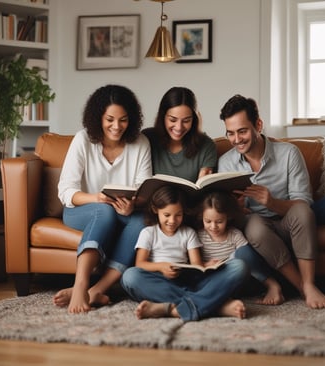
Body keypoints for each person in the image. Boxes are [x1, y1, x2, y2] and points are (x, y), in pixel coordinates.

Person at [218, 94, 325, 309]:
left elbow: (303, 203)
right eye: (230, 133)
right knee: (254, 226)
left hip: (289, 222)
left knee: (302, 211)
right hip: (258, 227)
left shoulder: (289, 153)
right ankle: (302, 287)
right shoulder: (225, 162)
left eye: (242, 131)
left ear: (258, 125)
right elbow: (227, 213)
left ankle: (310, 283)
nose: (236, 140)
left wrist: (272, 202)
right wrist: (237, 209)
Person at [53, 84, 152, 314]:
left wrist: (133, 205)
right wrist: (95, 198)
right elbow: (66, 191)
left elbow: (144, 189)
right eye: (110, 119)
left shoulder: (140, 143)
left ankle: (98, 289)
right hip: (83, 210)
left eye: (123, 120)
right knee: (103, 210)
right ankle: (80, 284)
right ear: (98, 117)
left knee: (141, 221)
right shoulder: (83, 140)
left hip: (122, 211)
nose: (116, 126)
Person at [121, 185, 249, 321]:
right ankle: (217, 306)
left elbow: (197, 265)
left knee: (238, 266)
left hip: (188, 280)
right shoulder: (148, 233)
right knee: (130, 276)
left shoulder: (188, 233)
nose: (172, 221)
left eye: (178, 215)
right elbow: (140, 264)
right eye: (167, 215)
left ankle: (169, 309)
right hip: (160, 282)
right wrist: (161, 267)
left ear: (184, 213)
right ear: (155, 210)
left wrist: (207, 265)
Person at [197, 191, 284, 305]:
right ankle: (221, 298)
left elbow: (248, 258)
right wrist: (206, 265)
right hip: (215, 280)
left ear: (227, 218)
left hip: (239, 280)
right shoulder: (198, 236)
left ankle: (272, 285)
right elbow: (195, 264)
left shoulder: (234, 234)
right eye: (208, 221)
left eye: (219, 221)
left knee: (243, 254)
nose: (213, 227)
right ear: (201, 217)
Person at [143, 86, 217, 182]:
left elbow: (203, 187)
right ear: (163, 117)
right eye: (172, 120)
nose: (179, 127)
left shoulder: (206, 145)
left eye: (186, 121)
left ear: (194, 120)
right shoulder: (146, 139)